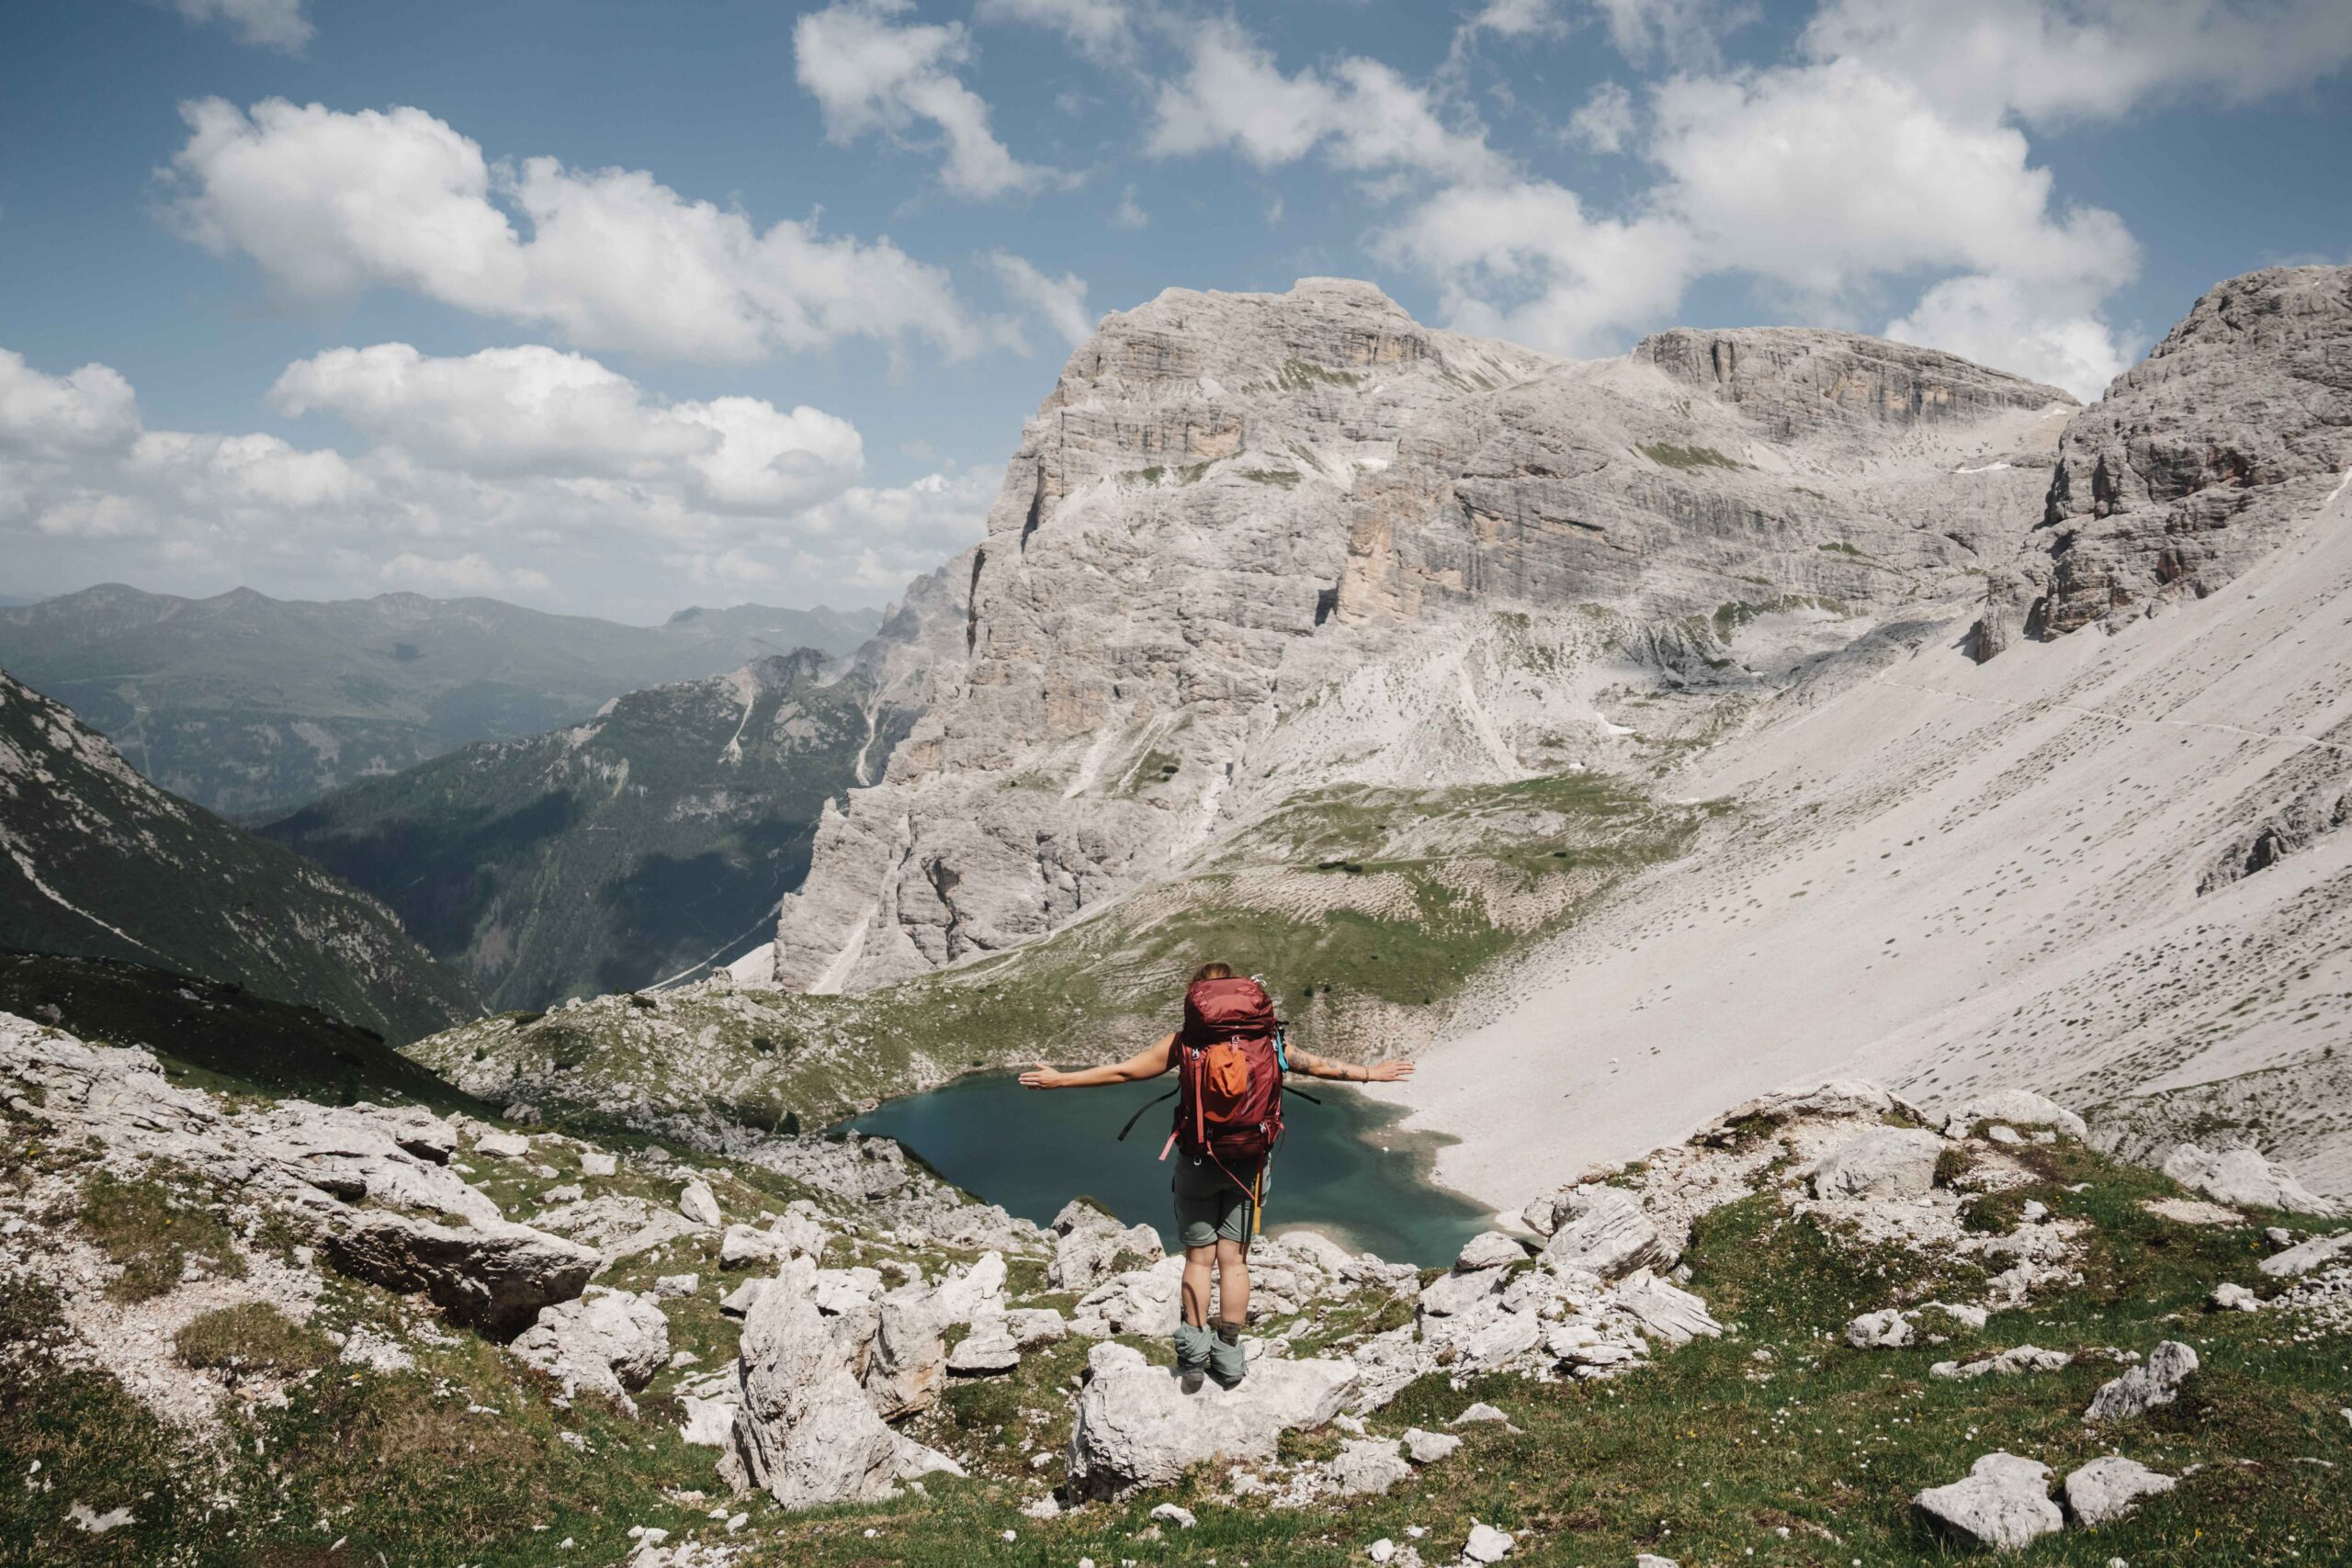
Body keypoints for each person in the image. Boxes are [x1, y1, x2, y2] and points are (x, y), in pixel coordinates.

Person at [1019, 962, 1414, 1392]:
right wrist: (1373, 1073)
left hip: (1198, 1164)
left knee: (1198, 1260)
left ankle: (1191, 1359)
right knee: (1235, 1262)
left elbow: (1123, 1071)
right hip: (1251, 1167)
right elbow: (1317, 1066)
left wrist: (1061, 1080)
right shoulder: (1269, 1041)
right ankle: (1228, 1359)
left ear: (1196, 998)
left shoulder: (1184, 1044)